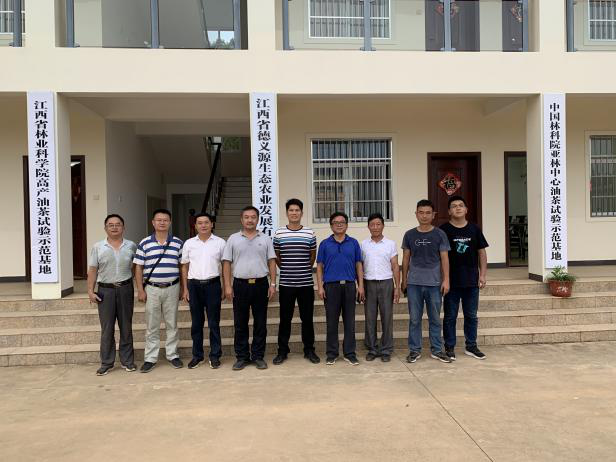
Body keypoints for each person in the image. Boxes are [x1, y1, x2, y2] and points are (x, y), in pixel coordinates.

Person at [222, 206, 277, 371]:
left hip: (261, 284)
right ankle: (242, 357)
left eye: (253, 217)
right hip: (240, 285)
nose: (250, 220)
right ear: (241, 219)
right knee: (240, 323)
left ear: (258, 219)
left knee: (260, 323)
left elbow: (272, 262)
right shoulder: (233, 239)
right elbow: (226, 263)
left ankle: (258, 356)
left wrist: (273, 284)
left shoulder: (265, 239)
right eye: (246, 217)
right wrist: (227, 285)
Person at [134, 209, 184, 373]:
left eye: (165, 220)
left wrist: (184, 288)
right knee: (152, 325)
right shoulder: (145, 243)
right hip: (152, 289)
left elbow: (182, 267)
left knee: (172, 324)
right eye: (159, 220)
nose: (162, 223)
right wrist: (140, 289)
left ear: (170, 222)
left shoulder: (178, 243)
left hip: (172, 287)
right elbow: (138, 267)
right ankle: (150, 358)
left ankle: (173, 355)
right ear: (153, 222)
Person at [401, 200, 451, 364]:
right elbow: (406, 258)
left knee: (435, 318)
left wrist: (446, 280)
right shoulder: (409, 234)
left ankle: (437, 350)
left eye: (428, 212)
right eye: (421, 212)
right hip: (414, 283)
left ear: (433, 215)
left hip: (434, 283)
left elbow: (444, 258)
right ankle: (414, 350)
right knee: (414, 319)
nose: (424, 216)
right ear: (416, 214)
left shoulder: (440, 234)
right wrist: (404, 280)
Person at [87, 214, 137, 376]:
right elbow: (93, 269)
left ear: (123, 227)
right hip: (105, 290)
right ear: (105, 228)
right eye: (111, 225)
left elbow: (136, 267)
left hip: (125, 289)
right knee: (107, 328)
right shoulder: (98, 247)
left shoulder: (131, 246)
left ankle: (127, 361)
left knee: (126, 326)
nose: (114, 227)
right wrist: (90, 291)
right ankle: (107, 363)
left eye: (118, 224)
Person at [440, 195, 489, 361]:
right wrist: (444, 278)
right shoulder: (443, 230)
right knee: (450, 317)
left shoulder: (474, 229)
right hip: (451, 281)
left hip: (471, 280)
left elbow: (481, 252)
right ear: (449, 211)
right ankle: (449, 347)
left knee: (471, 315)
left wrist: (483, 274)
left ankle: (471, 345)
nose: (458, 208)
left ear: (466, 209)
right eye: (454, 206)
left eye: (461, 205)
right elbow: (440, 256)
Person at [272, 199, 320, 365]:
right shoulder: (279, 233)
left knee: (307, 319)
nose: (294, 213)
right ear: (287, 213)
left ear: (301, 213)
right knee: (285, 319)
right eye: (291, 210)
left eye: (297, 210)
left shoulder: (309, 233)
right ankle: (282, 351)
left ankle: (309, 350)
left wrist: (303, 269)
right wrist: (287, 269)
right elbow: (277, 256)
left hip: (306, 284)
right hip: (286, 284)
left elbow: (312, 256)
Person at [316, 212, 364, 366]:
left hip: (349, 286)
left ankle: (350, 353)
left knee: (350, 321)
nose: (339, 224)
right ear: (331, 225)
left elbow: (358, 264)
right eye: (335, 222)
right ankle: (332, 353)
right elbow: (319, 266)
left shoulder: (353, 243)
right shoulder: (325, 244)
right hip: (331, 287)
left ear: (347, 225)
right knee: (332, 322)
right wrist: (320, 287)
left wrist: (361, 285)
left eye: (342, 222)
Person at [181, 212, 226, 370]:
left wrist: (225, 286)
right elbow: (184, 266)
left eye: (206, 222)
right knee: (196, 323)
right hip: (194, 286)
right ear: (195, 226)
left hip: (213, 285)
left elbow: (226, 266)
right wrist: (185, 288)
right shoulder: (189, 243)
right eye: (199, 223)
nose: (203, 225)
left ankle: (215, 356)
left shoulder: (220, 243)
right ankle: (197, 356)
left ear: (212, 224)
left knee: (214, 322)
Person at [361, 213, 401, 363]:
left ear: (383, 226)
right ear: (368, 227)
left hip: (386, 283)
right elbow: (360, 266)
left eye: (378, 224)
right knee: (370, 318)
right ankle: (372, 348)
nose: (375, 227)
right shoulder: (363, 244)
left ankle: (386, 349)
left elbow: (395, 266)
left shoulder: (390, 244)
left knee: (387, 318)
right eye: (372, 224)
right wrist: (360, 286)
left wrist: (397, 287)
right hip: (368, 283)